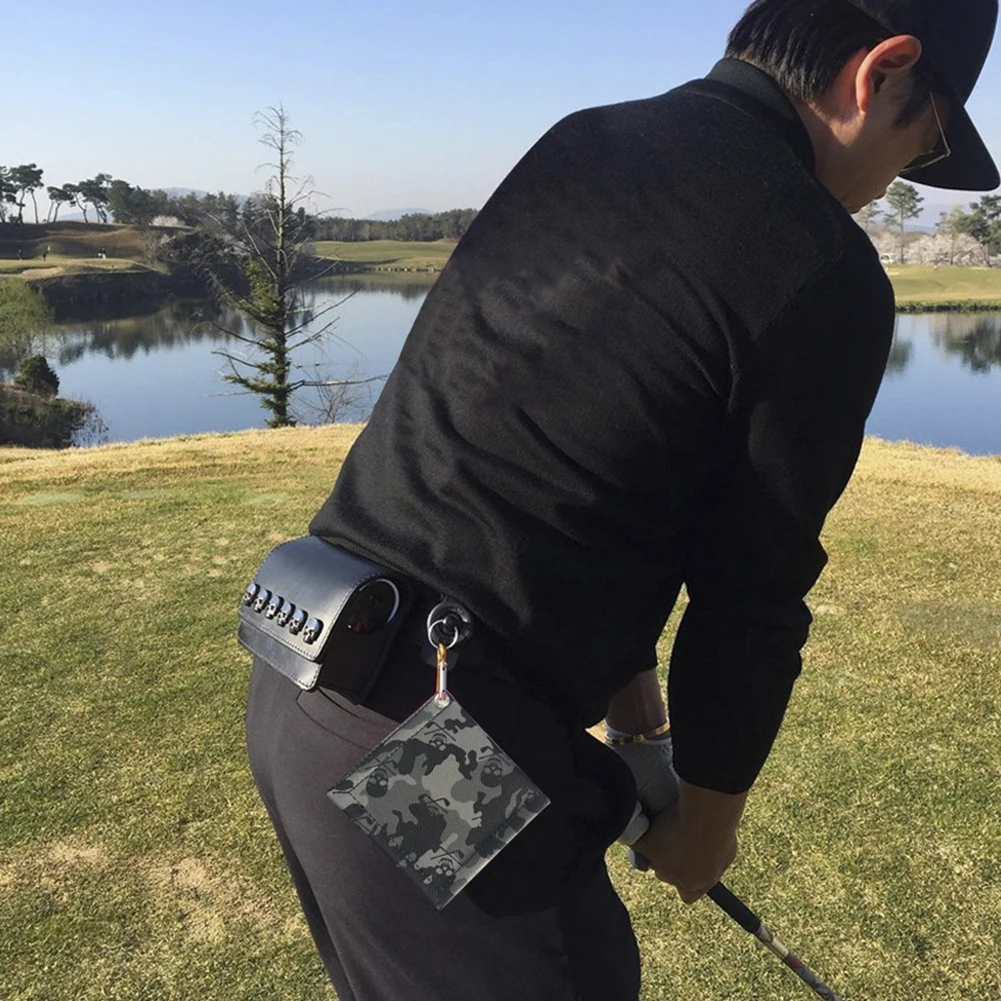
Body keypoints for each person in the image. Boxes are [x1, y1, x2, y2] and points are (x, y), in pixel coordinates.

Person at [244, 2, 998, 999]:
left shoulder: (587, 142)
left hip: (300, 680)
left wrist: (643, 737)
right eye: (925, 140)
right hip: (426, 730)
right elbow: (749, 601)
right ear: (883, 70)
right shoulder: (819, 263)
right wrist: (703, 827)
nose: (899, 175)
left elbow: (587, 465)